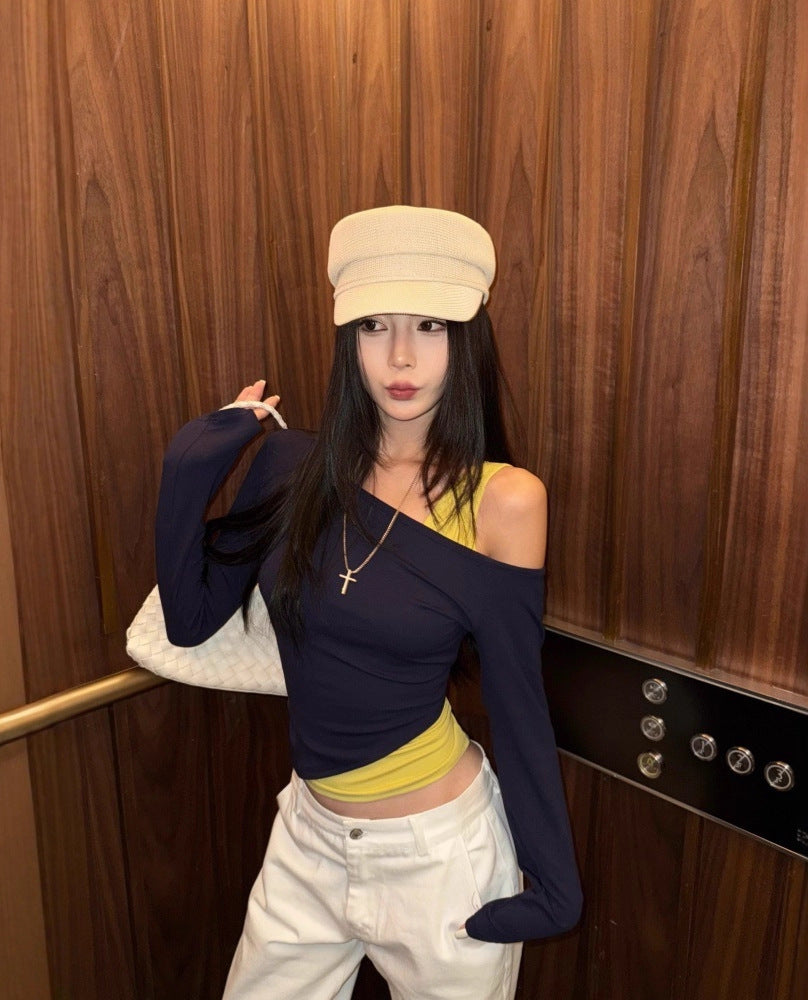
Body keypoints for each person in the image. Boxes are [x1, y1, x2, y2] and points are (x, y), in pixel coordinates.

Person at [155, 206, 582, 1000]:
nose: (400, 356)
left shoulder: (504, 501)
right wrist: (190, 464)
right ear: (346, 338)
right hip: (308, 838)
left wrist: (555, 882)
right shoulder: (289, 467)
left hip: (439, 856)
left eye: (430, 325)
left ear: (467, 337)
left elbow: (519, 699)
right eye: (374, 326)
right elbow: (189, 621)